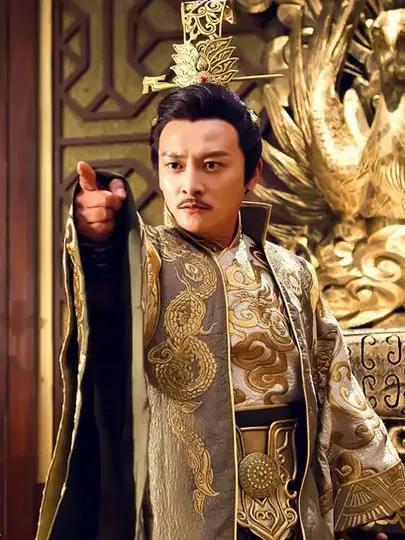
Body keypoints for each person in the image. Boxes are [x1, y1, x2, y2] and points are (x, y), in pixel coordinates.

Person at [36, 83, 405, 540]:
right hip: (185, 510)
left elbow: (336, 389)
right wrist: (99, 243)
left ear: (252, 173)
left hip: (293, 509)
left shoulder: (292, 273)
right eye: (174, 165)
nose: (190, 184)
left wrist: (364, 514)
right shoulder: (146, 260)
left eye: (212, 165)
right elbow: (109, 315)